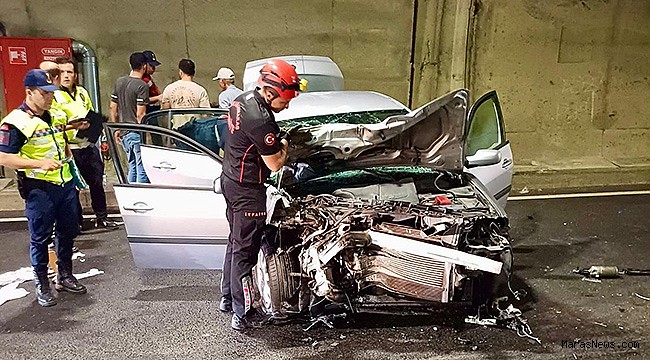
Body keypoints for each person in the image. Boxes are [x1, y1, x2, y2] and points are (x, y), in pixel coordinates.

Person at [220, 59, 303, 331]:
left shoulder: (242, 100)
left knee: (235, 242)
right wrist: (285, 145)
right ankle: (241, 313)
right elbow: (275, 164)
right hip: (247, 190)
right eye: (285, 100)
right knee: (247, 250)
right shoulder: (260, 118)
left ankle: (227, 298)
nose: (287, 105)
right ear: (270, 92)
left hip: (230, 180)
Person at [0, 69, 87, 307]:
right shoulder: (15, 122)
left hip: (65, 182)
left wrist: (73, 169)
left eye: (51, 93)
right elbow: (4, 158)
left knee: (68, 231)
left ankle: (65, 275)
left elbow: (61, 141)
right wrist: (39, 163)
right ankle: (42, 283)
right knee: (40, 237)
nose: (49, 98)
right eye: (44, 93)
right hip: (39, 187)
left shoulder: (55, 115)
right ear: (29, 92)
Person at [53, 57, 119, 229]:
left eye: (70, 72)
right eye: (62, 72)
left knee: (97, 182)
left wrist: (98, 133)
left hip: (88, 144)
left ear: (75, 74)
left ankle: (102, 217)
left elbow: (90, 112)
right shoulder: (53, 96)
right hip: (70, 148)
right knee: (73, 187)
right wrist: (73, 125)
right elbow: (53, 125)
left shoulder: (82, 92)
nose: (66, 76)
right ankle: (76, 222)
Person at [110, 52, 150, 183]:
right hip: (136, 132)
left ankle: (131, 195)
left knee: (132, 165)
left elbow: (113, 108)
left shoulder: (119, 82)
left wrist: (116, 129)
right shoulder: (142, 86)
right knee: (142, 166)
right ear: (144, 66)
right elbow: (140, 114)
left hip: (124, 131)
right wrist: (146, 134)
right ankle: (141, 196)